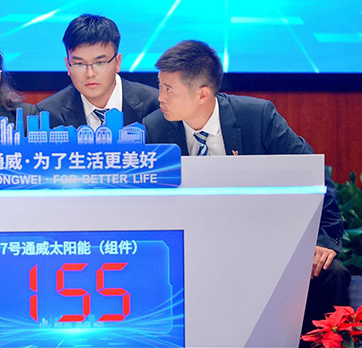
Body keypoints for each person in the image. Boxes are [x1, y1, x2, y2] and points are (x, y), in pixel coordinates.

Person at [142, 40, 350, 344]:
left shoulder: (257, 116)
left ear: (202, 94)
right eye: (160, 86)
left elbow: (312, 174)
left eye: (168, 89)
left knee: (331, 273)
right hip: (197, 245)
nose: (160, 97)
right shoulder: (155, 128)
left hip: (263, 237)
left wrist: (322, 242)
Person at [37, 14, 159, 128]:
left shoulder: (155, 106)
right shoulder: (49, 114)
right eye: (79, 64)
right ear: (68, 66)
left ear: (117, 62)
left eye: (100, 63)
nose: (90, 74)